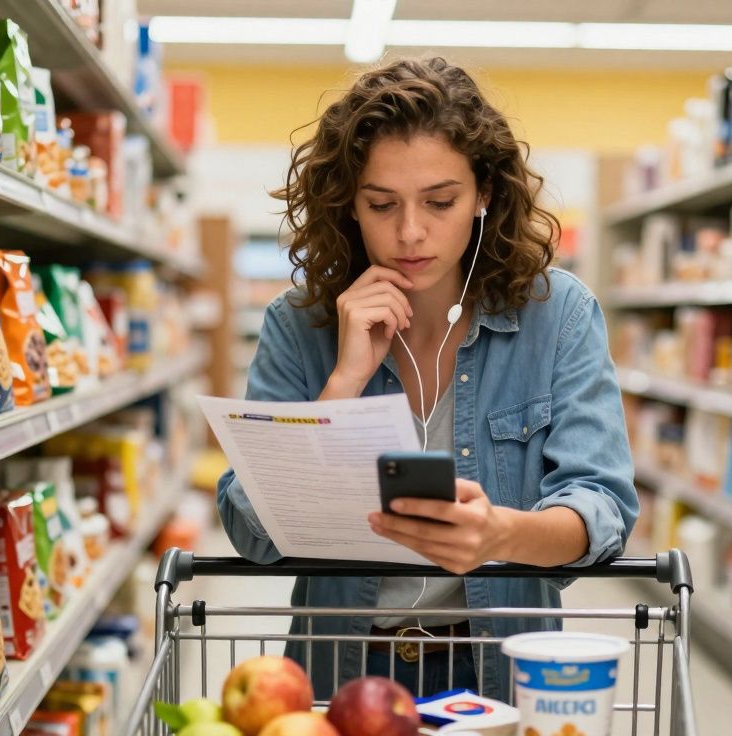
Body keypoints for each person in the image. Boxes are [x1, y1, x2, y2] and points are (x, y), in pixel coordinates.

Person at [216, 56, 637, 701]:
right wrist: (342, 387)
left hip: (497, 668)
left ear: (484, 195)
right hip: (342, 668)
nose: (410, 232)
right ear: (348, 206)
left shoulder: (558, 315)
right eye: (381, 204)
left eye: (440, 201)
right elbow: (250, 529)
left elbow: (602, 507)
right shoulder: (299, 324)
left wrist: (501, 533)